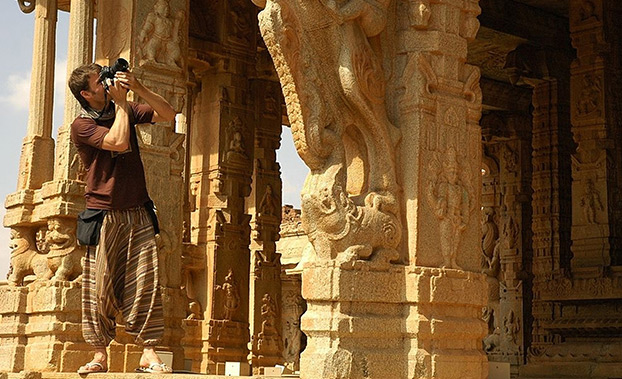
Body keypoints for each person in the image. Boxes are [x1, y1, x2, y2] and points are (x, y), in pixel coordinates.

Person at [68, 62, 176, 374]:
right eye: (99, 82)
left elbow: (168, 115)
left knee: (146, 283)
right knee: (99, 286)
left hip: (138, 209)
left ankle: (149, 353)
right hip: (103, 213)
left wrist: (138, 88)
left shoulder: (123, 107)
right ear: (87, 94)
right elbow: (118, 142)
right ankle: (99, 355)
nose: (106, 83)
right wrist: (121, 105)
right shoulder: (82, 125)